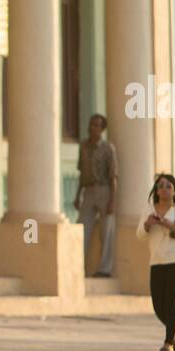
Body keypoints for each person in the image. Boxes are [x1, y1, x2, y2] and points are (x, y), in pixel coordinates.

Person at [136, 172, 175, 351]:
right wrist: (148, 224)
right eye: (160, 186)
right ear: (156, 190)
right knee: (158, 305)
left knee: (171, 301)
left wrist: (172, 226)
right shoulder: (149, 210)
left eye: (168, 186)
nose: (164, 189)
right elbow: (139, 234)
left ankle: (168, 343)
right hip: (157, 262)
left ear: (174, 190)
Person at [74, 114, 118, 278]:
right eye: (91, 124)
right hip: (88, 191)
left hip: (104, 190)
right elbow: (81, 172)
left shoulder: (108, 148)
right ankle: (78, 265)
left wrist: (112, 200)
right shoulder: (83, 147)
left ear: (102, 129)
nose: (93, 128)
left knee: (107, 231)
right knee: (82, 227)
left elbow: (113, 176)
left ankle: (104, 269)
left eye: (97, 125)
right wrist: (78, 195)